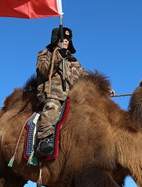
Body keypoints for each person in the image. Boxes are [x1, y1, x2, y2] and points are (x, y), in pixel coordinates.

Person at [34, 26, 99, 157]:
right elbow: (43, 70)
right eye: (63, 38)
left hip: (73, 96)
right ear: (56, 39)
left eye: (68, 39)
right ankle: (44, 140)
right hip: (52, 94)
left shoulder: (74, 61)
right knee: (52, 106)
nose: (66, 41)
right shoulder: (44, 54)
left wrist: (100, 86)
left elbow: (85, 76)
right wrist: (58, 56)